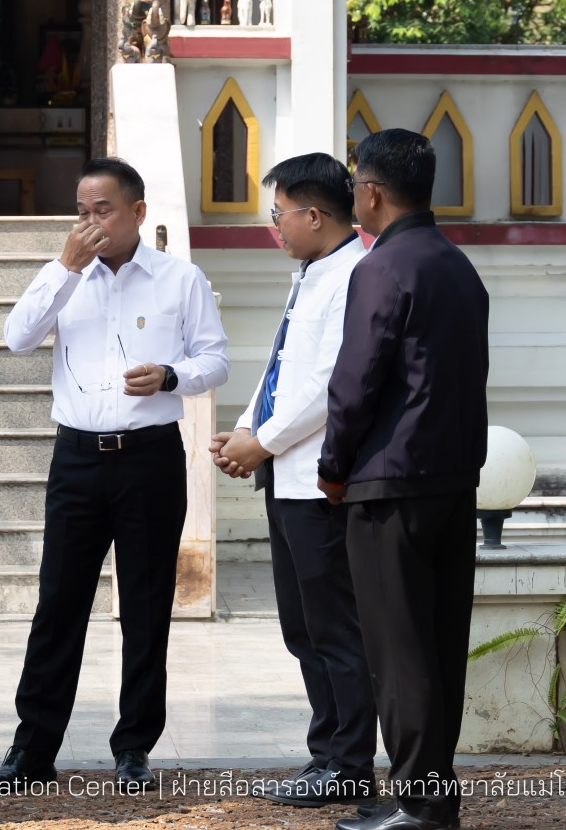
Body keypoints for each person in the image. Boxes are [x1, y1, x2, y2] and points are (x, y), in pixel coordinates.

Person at [0, 157, 229, 794]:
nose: (90, 223)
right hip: (77, 460)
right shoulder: (64, 275)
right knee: (58, 604)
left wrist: (173, 377)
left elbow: (215, 358)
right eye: (82, 211)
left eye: (104, 210)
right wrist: (62, 268)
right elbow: (15, 338)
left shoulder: (180, 279)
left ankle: (134, 749)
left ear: (138, 213)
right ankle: (32, 748)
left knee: (146, 609)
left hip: (149, 458)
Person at [317, 129, 489, 830]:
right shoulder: (455, 264)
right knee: (440, 643)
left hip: (390, 481)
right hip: (452, 475)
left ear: (372, 193)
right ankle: (432, 794)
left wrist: (333, 467)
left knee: (400, 647)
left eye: (357, 183)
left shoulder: (381, 268)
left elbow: (356, 382)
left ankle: (419, 806)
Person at [209, 152, 377, 809]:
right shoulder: (311, 272)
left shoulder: (357, 275)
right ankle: (325, 753)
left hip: (322, 479)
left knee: (335, 626)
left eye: (278, 214)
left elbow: (331, 384)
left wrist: (264, 441)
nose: (273, 227)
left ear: (313, 213)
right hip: (286, 473)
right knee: (301, 626)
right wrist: (247, 428)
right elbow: (282, 363)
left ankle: (350, 761)